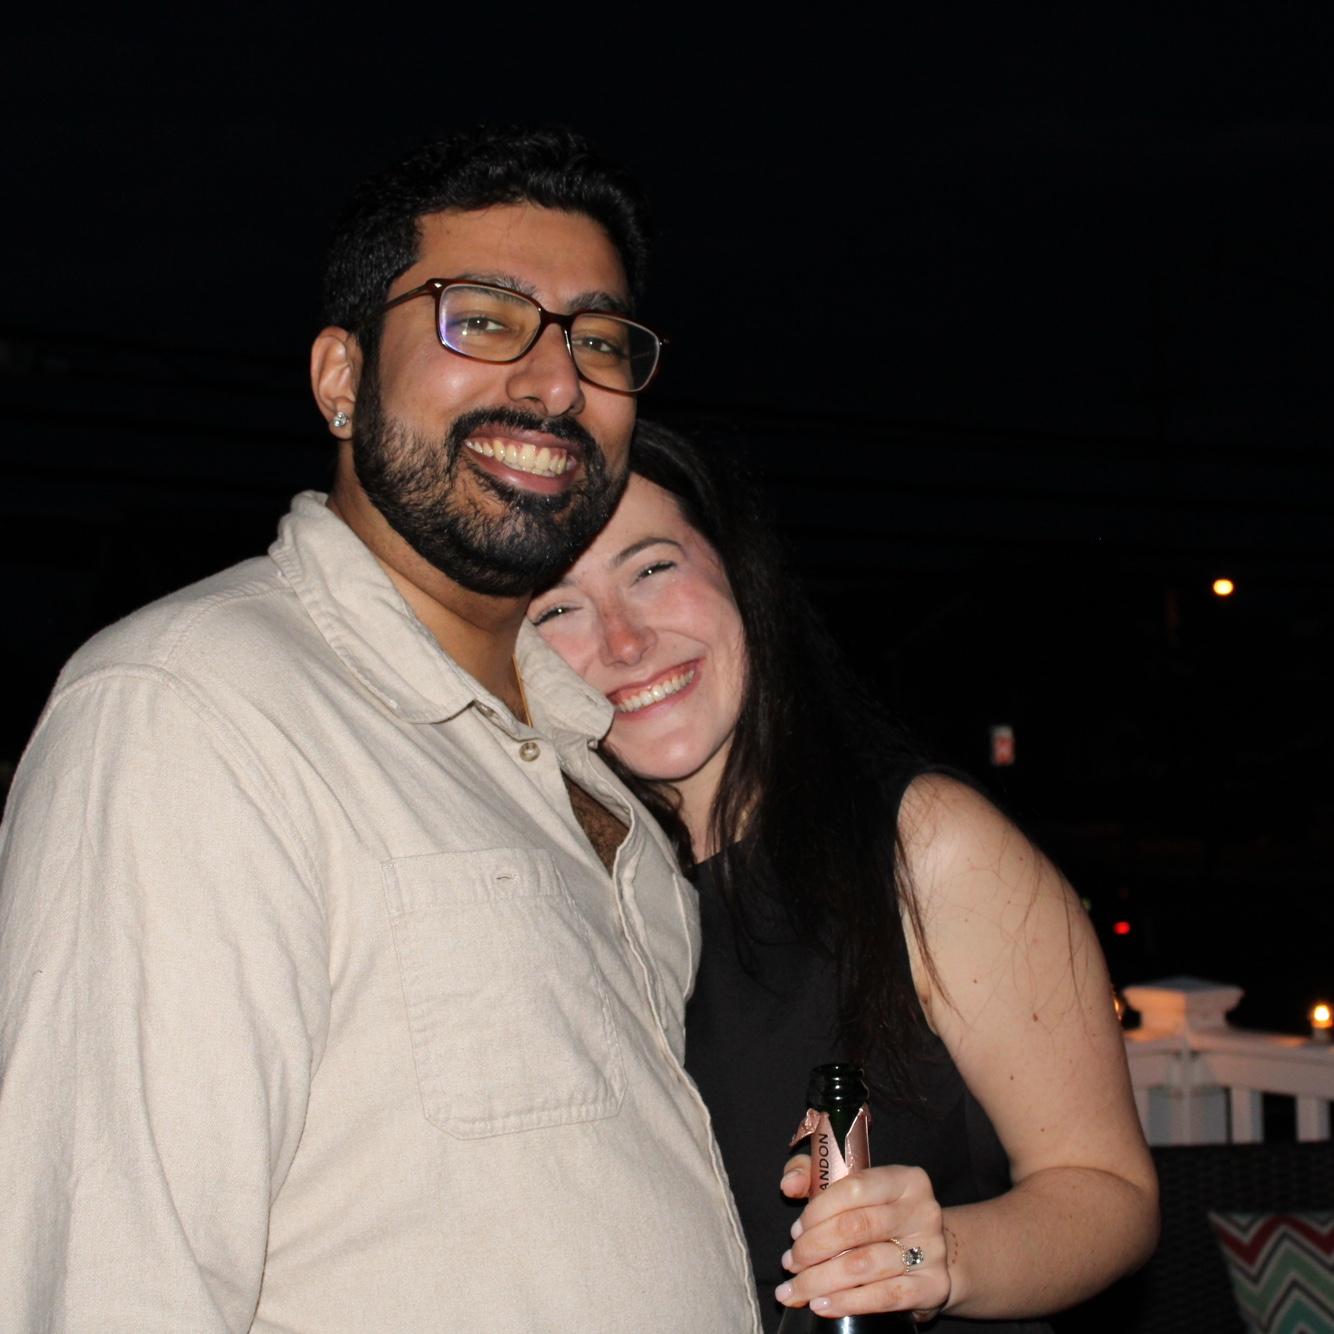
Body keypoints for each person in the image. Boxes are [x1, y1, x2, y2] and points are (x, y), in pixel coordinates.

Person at [0, 132, 760, 1332]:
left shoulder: (590, 767)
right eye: (483, 319)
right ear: (340, 378)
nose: (556, 384)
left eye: (599, 340)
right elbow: (112, 1269)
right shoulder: (195, 706)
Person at [529, 420, 1161, 1331]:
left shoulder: (925, 846)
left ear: (736, 573)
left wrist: (937, 1255)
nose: (624, 642)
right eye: (556, 610)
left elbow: (1109, 1193)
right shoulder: (552, 903)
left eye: (653, 567)